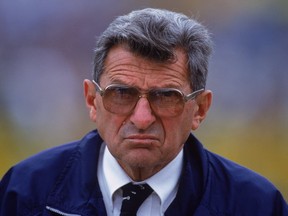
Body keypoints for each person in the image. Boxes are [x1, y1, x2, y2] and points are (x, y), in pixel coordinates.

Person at [0, 8, 287, 216]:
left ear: (199, 109)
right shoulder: (23, 192)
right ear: (91, 100)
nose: (141, 118)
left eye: (165, 97)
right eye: (122, 94)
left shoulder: (256, 205)